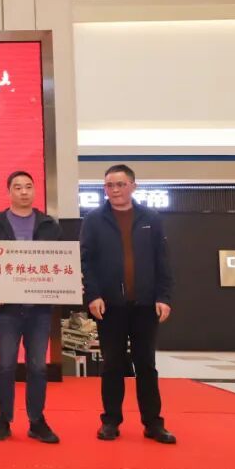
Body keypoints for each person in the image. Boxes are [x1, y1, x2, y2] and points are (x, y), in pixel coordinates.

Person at [81, 164, 176, 444]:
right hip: (109, 306)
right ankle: (110, 421)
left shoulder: (151, 218)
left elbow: (162, 261)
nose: (114, 190)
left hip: (145, 305)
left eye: (120, 184)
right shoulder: (94, 220)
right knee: (112, 365)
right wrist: (93, 295)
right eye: (109, 185)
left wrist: (164, 297)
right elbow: (86, 262)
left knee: (146, 364)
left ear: (133, 186)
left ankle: (153, 423)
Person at [0, 171, 61, 444]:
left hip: (40, 309)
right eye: (17, 187)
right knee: (5, 365)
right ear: (9, 192)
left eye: (28, 186)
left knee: (38, 366)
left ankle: (36, 421)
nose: (24, 192)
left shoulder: (50, 225)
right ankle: (3, 419)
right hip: (7, 310)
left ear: (34, 191)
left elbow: (61, 262)